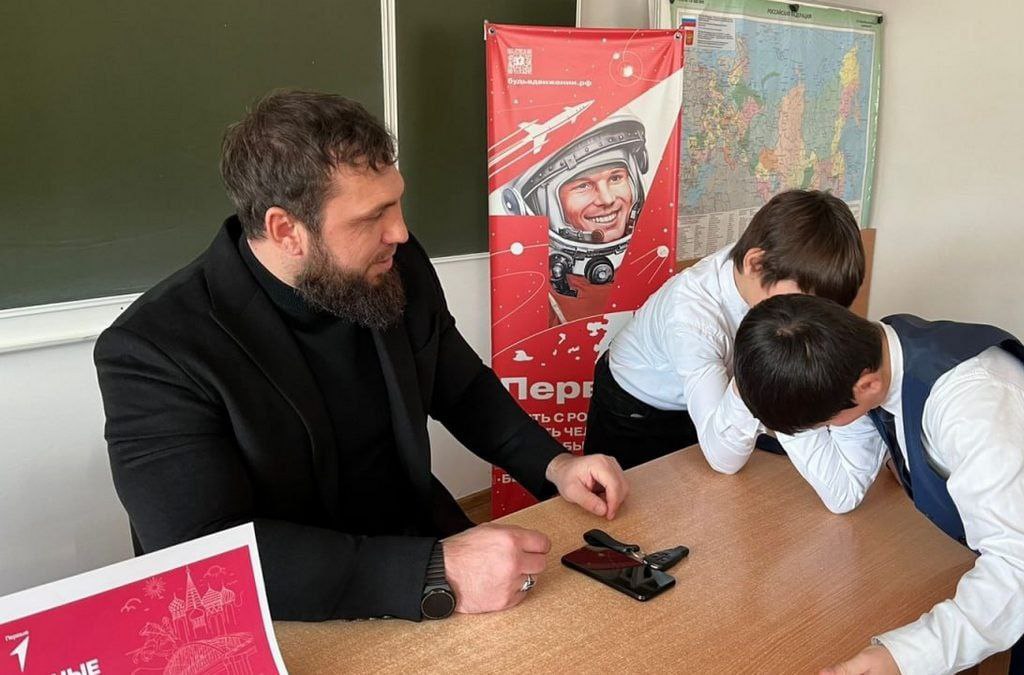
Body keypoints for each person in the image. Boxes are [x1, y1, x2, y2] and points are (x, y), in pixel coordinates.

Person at [94, 90, 628, 623]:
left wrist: (556, 464)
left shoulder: (395, 264)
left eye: (396, 202)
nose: (400, 231)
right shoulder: (153, 350)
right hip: (291, 600)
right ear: (286, 230)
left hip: (416, 538)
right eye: (373, 216)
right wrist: (432, 570)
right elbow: (202, 553)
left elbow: (461, 389)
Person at [732, 294, 1024, 674]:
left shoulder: (970, 402)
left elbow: (1020, 574)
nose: (830, 430)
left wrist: (901, 657)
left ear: (867, 387)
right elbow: (845, 488)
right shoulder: (867, 353)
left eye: (826, 424)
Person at [583, 189, 865, 470]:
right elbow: (725, 460)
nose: (810, 321)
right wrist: (757, 373)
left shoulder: (771, 262)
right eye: (801, 305)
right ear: (756, 264)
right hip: (635, 408)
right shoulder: (692, 318)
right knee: (627, 491)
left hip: (698, 391)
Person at [500, 115, 649, 322]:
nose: (607, 199)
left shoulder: (652, 267)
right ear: (539, 205)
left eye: (616, 178)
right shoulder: (531, 297)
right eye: (582, 186)